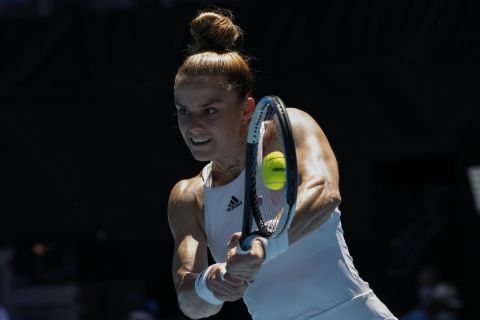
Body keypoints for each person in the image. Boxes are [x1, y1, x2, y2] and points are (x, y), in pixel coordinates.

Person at [167, 8, 397, 320]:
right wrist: (215, 283)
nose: (193, 126)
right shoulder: (187, 197)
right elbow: (190, 301)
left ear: (247, 109)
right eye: (184, 111)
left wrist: (264, 247)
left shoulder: (289, 127)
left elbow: (325, 193)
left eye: (210, 111)